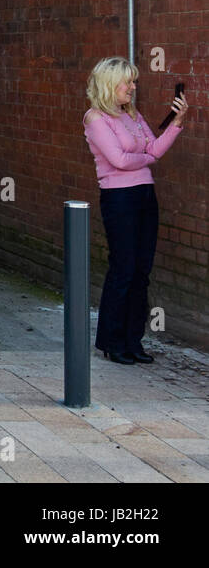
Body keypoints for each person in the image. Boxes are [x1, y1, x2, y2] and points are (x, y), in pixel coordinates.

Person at [82, 57, 190, 364]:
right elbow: (118, 160)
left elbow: (154, 149)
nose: (133, 87)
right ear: (109, 83)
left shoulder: (131, 114)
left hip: (144, 195)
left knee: (141, 271)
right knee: (123, 269)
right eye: (128, 82)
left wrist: (177, 123)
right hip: (119, 198)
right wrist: (145, 159)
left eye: (134, 81)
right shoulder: (95, 118)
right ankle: (111, 341)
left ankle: (133, 341)